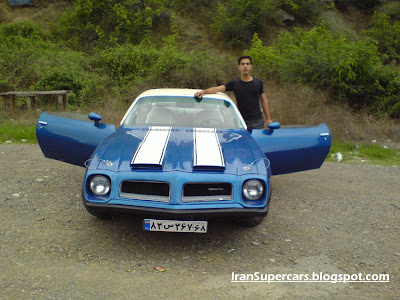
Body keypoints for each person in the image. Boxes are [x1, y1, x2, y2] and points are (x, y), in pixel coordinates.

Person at [194, 55, 272, 132]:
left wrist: (268, 119)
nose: (245, 66)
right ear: (239, 67)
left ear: (251, 66)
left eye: (247, 64)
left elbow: (264, 101)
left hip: (257, 121)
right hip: (240, 120)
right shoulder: (234, 83)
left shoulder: (258, 83)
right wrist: (204, 92)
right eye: (243, 64)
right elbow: (217, 89)